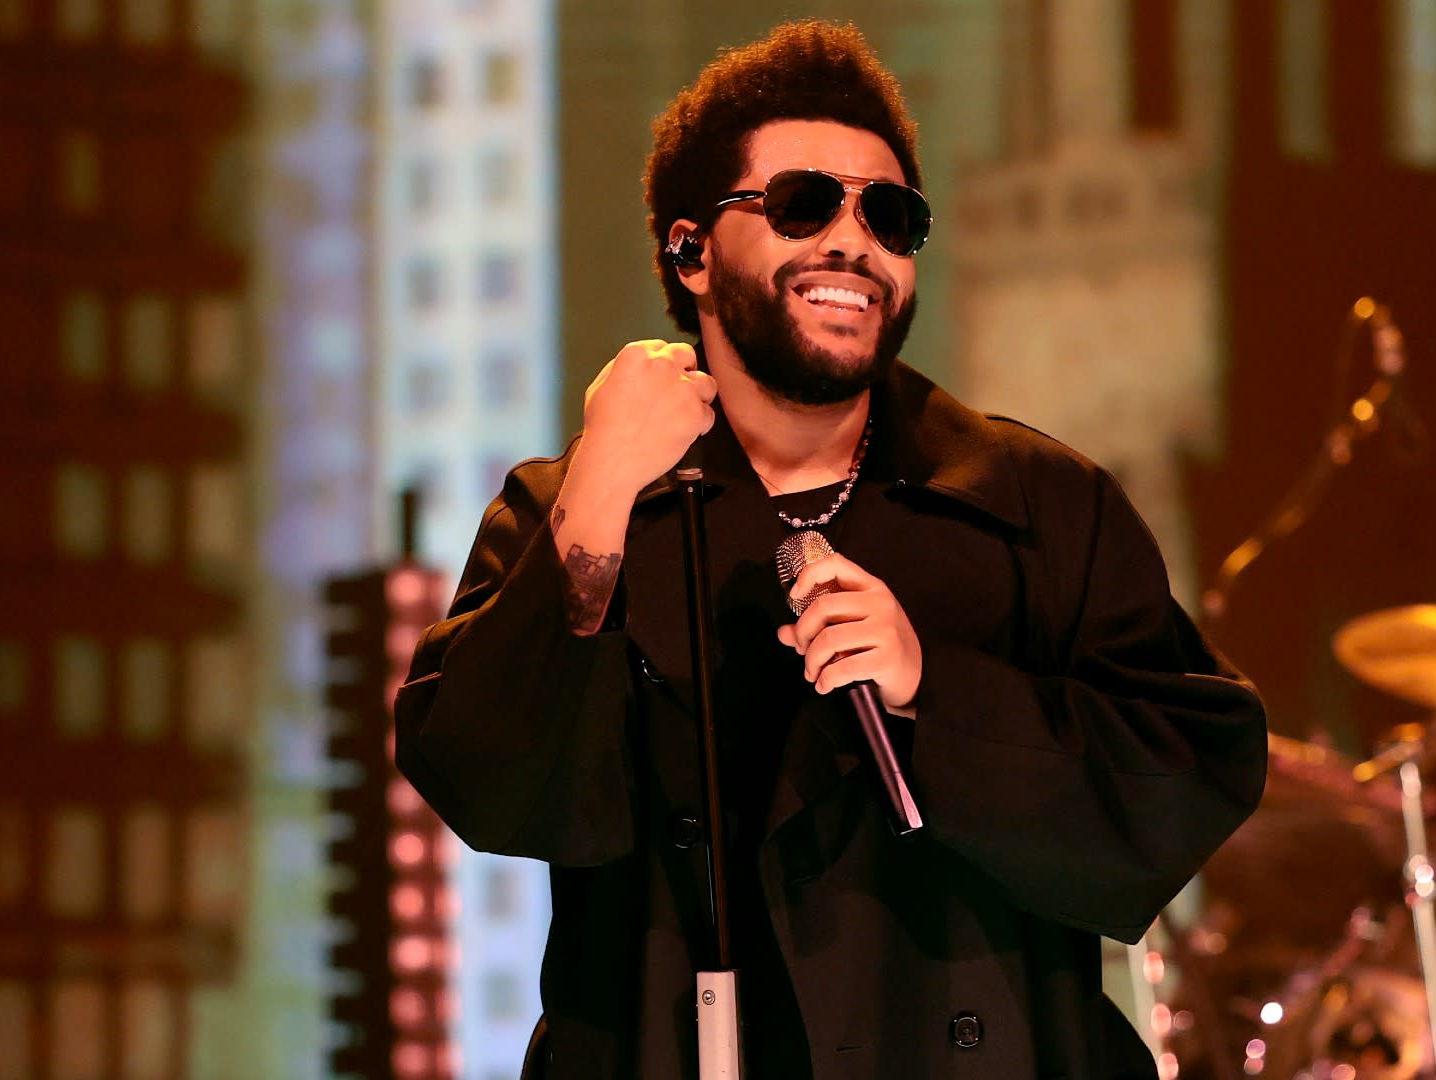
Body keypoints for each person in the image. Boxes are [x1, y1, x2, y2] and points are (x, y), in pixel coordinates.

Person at [394, 20, 1267, 1080]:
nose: (854, 242)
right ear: (691, 252)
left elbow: (1189, 772)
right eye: (803, 204)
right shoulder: (573, 506)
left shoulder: (1037, 501)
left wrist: (935, 691)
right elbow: (483, 782)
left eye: (890, 217)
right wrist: (601, 492)